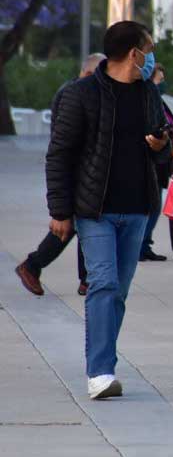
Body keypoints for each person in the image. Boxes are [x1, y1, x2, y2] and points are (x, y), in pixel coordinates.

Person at [45, 21, 170, 399]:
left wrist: (159, 144)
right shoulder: (80, 95)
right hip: (94, 209)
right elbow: (59, 154)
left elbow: (162, 146)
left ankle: (104, 358)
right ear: (134, 53)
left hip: (138, 209)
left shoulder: (148, 94)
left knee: (119, 293)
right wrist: (60, 210)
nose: (151, 57)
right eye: (148, 49)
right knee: (103, 283)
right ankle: (100, 371)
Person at [15, 52, 105, 297]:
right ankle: (33, 264)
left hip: (83, 170)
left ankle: (85, 278)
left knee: (84, 222)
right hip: (76, 170)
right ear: (89, 72)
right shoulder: (75, 94)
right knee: (74, 223)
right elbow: (65, 143)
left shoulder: (77, 91)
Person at [139, 63, 173, 263]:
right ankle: (141, 244)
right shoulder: (149, 100)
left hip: (163, 160)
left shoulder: (160, 102)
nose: (162, 84)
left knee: (153, 205)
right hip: (153, 160)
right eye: (160, 80)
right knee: (152, 205)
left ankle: (144, 243)